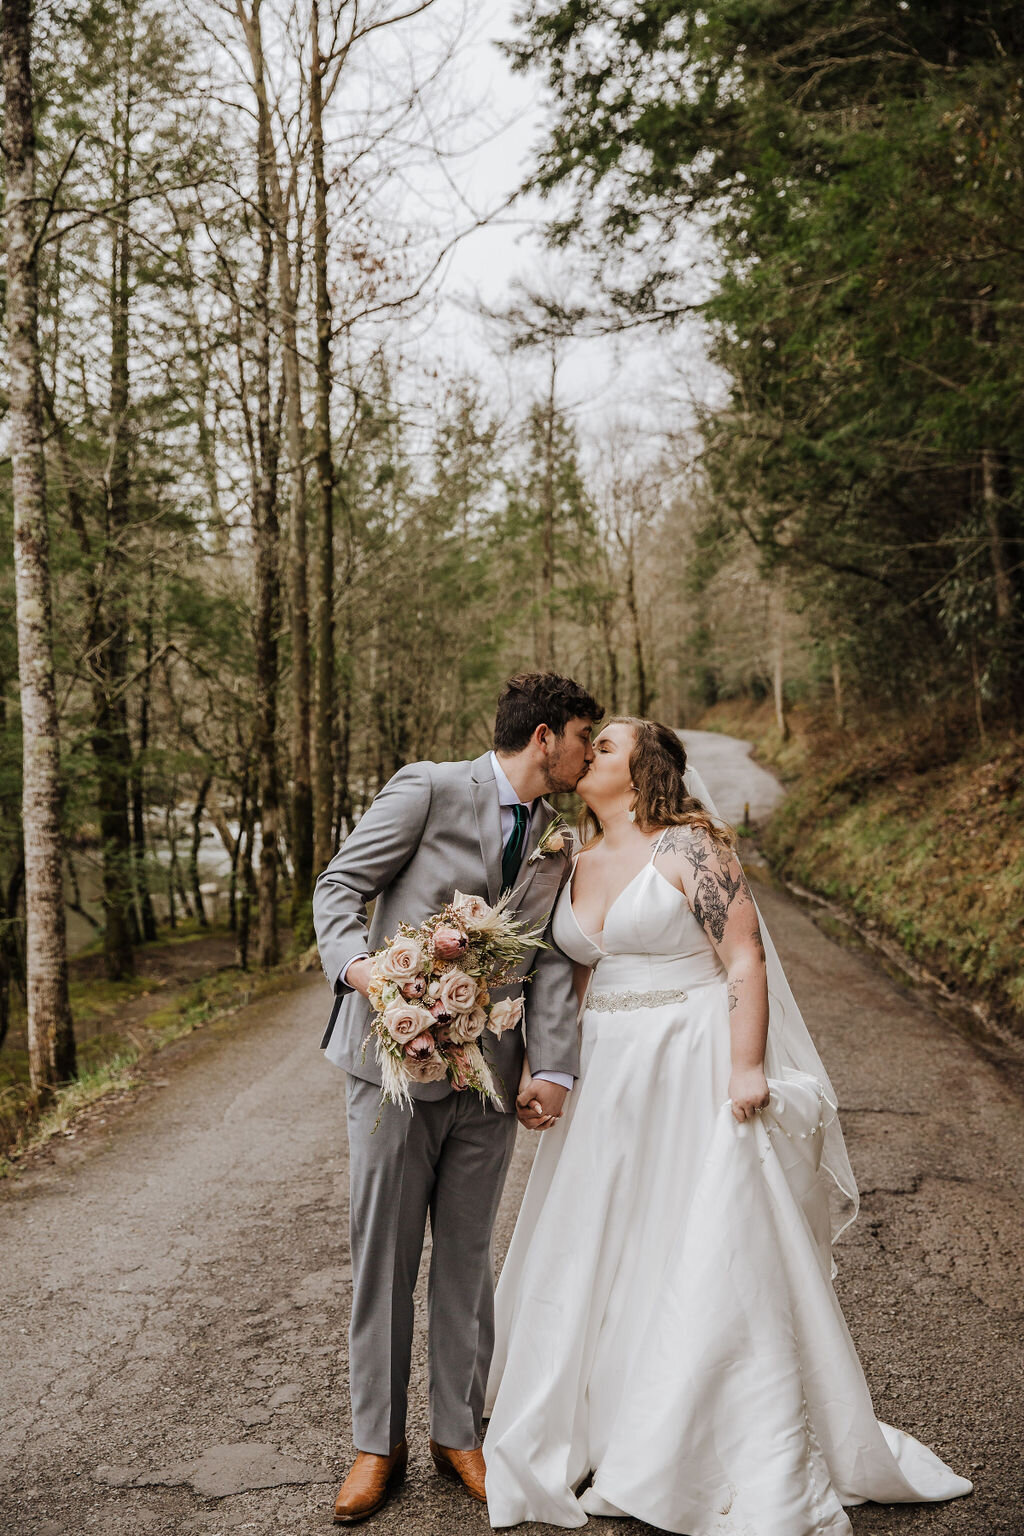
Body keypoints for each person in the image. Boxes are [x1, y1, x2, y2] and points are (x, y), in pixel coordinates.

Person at [483, 716, 972, 1535]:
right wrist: (543, 1066)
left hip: (691, 1054)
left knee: (697, 1233)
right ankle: (607, 1417)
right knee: (602, 1236)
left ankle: (691, 1432)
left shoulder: (690, 849)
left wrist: (747, 1067)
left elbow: (743, 955)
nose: (584, 753)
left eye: (604, 745)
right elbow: (560, 982)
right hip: (605, 1074)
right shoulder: (567, 857)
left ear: (643, 771)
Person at [312, 672, 602, 1524]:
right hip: (394, 1068)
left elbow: (547, 958)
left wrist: (549, 1067)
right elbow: (339, 888)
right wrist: (358, 970)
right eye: (585, 735)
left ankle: (456, 1435)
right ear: (545, 736)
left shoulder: (558, 835)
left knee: (468, 1261)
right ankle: (376, 1445)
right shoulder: (430, 788)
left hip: (491, 1079)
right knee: (385, 1260)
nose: (591, 752)